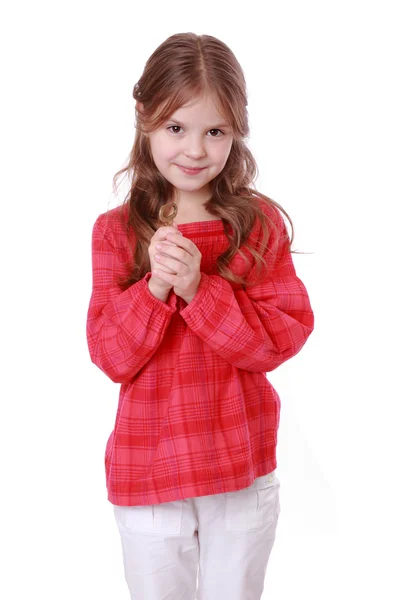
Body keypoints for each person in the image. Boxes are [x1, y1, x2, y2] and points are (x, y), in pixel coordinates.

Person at [86, 32, 314, 600]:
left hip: (239, 467)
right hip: (150, 472)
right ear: (144, 117)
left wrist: (200, 288)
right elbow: (111, 357)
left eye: (214, 131)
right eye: (176, 129)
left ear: (237, 129)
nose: (194, 150)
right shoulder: (116, 231)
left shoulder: (256, 224)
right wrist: (157, 286)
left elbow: (277, 340)